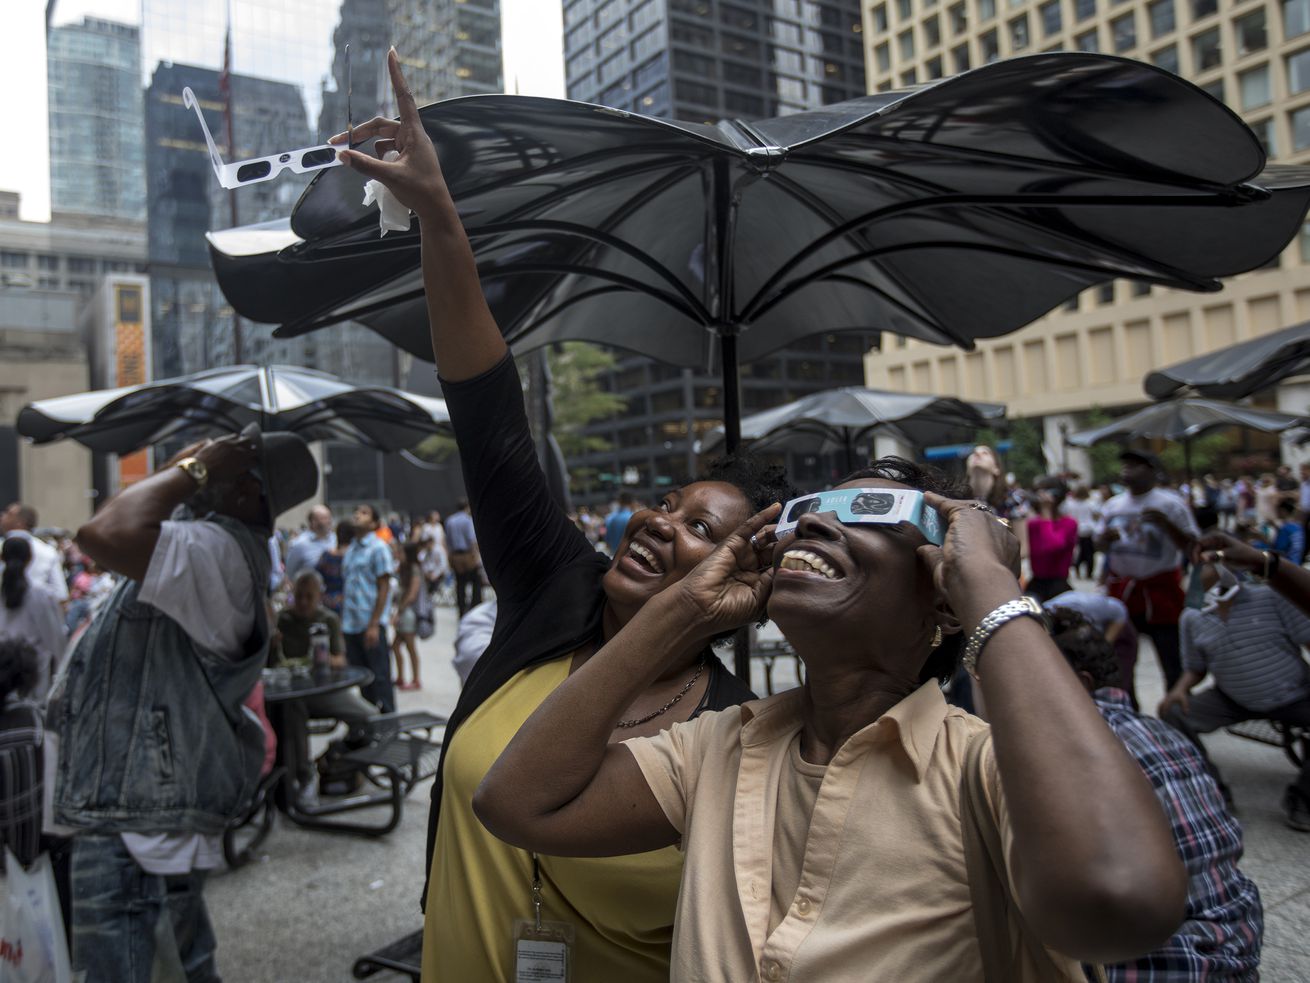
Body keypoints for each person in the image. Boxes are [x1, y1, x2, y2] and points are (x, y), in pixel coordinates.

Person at [334, 59, 797, 982]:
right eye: (667, 502)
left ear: (747, 585)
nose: (661, 521)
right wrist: (438, 215)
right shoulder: (555, 588)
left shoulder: (738, 732)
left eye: (704, 529)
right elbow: (488, 406)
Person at [475, 457, 1186, 980]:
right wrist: (684, 608)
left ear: (941, 596)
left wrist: (992, 592)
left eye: (870, 510)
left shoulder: (985, 773)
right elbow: (515, 802)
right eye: (811, 510)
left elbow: (1120, 898)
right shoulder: (720, 746)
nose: (814, 520)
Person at [49, 427, 317, 983]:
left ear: (246, 491)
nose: (201, 461)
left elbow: (104, 532)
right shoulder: (208, 542)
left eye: (222, 463)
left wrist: (191, 471)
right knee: (181, 967)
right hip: (138, 814)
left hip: (135, 820)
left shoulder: (217, 551)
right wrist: (191, 467)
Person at [1048, 610, 1263, 980]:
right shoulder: (1160, 732)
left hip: (1162, 967)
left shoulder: (1069, 749)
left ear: (1079, 684)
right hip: (1236, 949)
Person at [1160, 555, 1310, 831]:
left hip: (1294, 692)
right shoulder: (1193, 617)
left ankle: (1303, 799)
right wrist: (1178, 690)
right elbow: (1195, 667)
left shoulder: (1272, 598)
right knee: (1174, 714)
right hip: (1233, 697)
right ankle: (1213, 790)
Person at [1095, 449, 1198, 689]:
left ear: (1152, 471)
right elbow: (1100, 546)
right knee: (1120, 661)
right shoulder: (1113, 505)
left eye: (1135, 465)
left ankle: (1176, 709)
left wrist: (1166, 525)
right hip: (1123, 593)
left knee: (1171, 658)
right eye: (1125, 464)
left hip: (1160, 593)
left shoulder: (1171, 504)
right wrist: (1104, 540)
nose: (1127, 469)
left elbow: (1192, 547)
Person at [272, 570, 377, 798]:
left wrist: (322, 656)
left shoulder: (327, 619)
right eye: (298, 596)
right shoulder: (282, 620)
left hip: (324, 690)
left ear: (319, 596)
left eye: (309, 596)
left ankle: (341, 760)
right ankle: (301, 775)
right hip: (293, 693)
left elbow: (341, 659)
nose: (302, 602)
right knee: (291, 712)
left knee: (371, 717)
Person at [343, 504, 396, 713]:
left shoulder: (378, 548)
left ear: (374, 523)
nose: (357, 514)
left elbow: (384, 587)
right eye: (356, 511)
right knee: (363, 679)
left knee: (380, 678)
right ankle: (371, 727)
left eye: (364, 513)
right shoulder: (351, 549)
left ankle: (389, 726)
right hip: (351, 624)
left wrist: (374, 624)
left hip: (370, 624)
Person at [0, 537, 67, 702]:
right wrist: (63, 668)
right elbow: (54, 636)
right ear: (30, 559)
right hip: (33, 671)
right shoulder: (41, 594)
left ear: (2, 557)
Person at [1022, 475, 1078, 602]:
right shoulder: (1033, 524)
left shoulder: (1069, 523)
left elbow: (1053, 546)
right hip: (1036, 583)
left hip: (1058, 584)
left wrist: (1046, 512)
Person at [1, 503, 69, 605]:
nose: (2, 515)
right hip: (38, 611)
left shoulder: (47, 551)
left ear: (20, 522)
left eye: (8, 513)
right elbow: (61, 594)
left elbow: (60, 594)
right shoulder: (47, 551)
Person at [392, 542, 423, 691]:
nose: (398, 554)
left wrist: (398, 613)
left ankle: (416, 679)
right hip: (403, 612)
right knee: (396, 646)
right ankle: (400, 677)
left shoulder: (414, 569)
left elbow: (412, 595)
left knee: (410, 647)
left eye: (401, 552)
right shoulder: (403, 568)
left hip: (408, 614)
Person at [445, 497, 482, 617]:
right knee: (476, 582)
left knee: (460, 584)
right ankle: (475, 607)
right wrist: (476, 556)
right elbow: (472, 540)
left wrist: (450, 557)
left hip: (455, 555)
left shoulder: (450, 520)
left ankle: (461, 611)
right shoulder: (468, 520)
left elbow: (448, 541)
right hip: (467, 554)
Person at [285, 505, 336, 582]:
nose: (328, 521)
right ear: (313, 522)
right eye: (323, 518)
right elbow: (290, 572)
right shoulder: (299, 544)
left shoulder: (335, 539)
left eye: (329, 518)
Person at [315, 518, 354, 616]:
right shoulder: (356, 557)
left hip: (329, 603)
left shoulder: (326, 556)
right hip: (351, 603)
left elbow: (316, 578)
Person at [1063, 484, 1098, 579]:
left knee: (1078, 552)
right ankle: (1089, 573)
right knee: (1089, 553)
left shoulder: (1071, 504)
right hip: (1088, 530)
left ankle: (1077, 569)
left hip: (1076, 529)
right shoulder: (1091, 504)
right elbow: (1096, 515)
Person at [1271, 498, 1305, 566]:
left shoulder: (1285, 528)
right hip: (1297, 564)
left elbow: (1278, 550)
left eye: (1278, 510)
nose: (1276, 512)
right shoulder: (1298, 527)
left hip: (1286, 567)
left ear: (1283, 511)